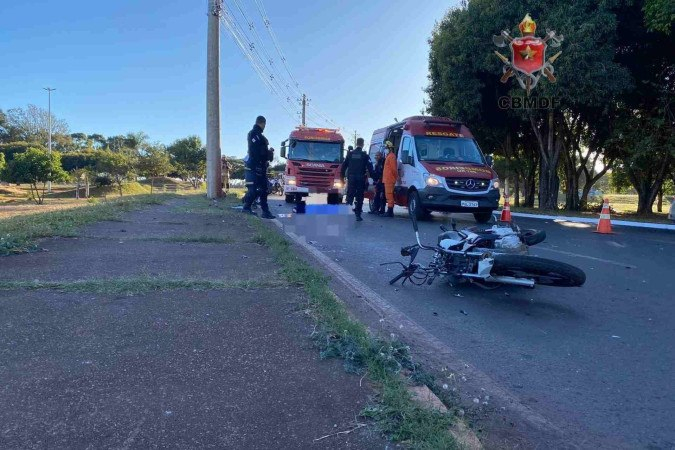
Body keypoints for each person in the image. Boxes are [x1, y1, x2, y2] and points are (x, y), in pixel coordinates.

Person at [242, 116, 275, 219]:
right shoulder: (254, 134)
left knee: (264, 189)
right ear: (262, 123)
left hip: (260, 167)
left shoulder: (259, 135)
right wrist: (265, 155)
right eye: (264, 124)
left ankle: (265, 212)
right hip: (254, 167)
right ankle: (246, 207)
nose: (265, 126)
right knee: (254, 190)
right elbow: (255, 152)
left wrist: (269, 153)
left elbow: (261, 152)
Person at [341, 138, 374, 221]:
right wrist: (374, 178)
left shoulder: (350, 154)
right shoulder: (365, 155)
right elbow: (370, 168)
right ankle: (358, 215)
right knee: (359, 196)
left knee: (350, 195)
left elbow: (343, 166)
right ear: (362, 144)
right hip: (360, 179)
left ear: (356, 143)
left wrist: (342, 178)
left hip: (351, 178)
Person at [382, 140, 398, 217]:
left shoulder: (391, 156)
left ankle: (390, 211)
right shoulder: (389, 156)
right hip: (388, 179)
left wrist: (395, 177)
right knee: (388, 195)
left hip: (389, 179)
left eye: (386, 147)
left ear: (389, 148)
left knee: (389, 195)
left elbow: (394, 169)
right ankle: (389, 211)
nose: (385, 149)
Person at [369, 151, 385, 215]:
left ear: (381, 156)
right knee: (376, 195)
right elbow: (376, 173)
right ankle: (376, 209)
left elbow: (382, 172)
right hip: (378, 182)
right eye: (376, 155)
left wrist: (379, 179)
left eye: (377, 155)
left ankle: (382, 210)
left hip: (382, 181)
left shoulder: (382, 162)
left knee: (382, 196)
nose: (376, 157)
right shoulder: (377, 163)